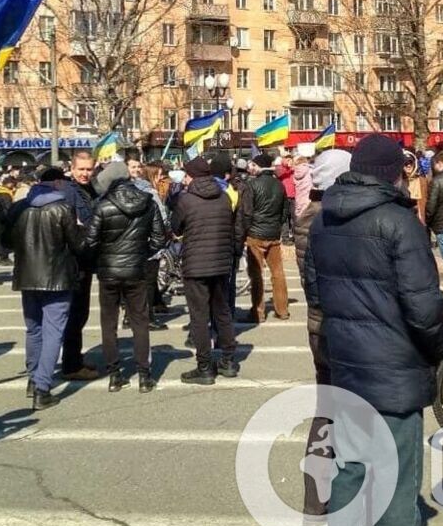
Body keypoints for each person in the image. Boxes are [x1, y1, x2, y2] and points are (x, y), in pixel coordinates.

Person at [310, 135, 443, 526]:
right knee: (394, 481)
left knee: (351, 473)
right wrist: (441, 348)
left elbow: (317, 292)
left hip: (349, 365)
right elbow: (423, 304)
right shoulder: (399, 222)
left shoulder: (324, 218)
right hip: (395, 369)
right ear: (396, 172)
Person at [293, 147, 350, 517]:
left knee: (326, 408)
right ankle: (350, 498)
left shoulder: (307, 216)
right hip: (338, 324)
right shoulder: (331, 220)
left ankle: (314, 499)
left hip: (317, 323)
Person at [82, 159, 168, 392]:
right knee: (140, 322)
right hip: (136, 269)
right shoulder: (148, 202)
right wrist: (142, 254)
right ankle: (144, 375)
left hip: (108, 271)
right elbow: (160, 238)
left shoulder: (102, 206)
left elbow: (90, 242)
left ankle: (114, 375)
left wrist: (102, 257)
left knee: (108, 324)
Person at [3, 167, 83, 409]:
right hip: (57, 277)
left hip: (27, 276)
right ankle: (42, 387)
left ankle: (33, 378)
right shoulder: (62, 209)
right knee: (53, 332)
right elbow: (78, 245)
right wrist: (81, 229)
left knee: (33, 329)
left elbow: (5, 241)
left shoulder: (20, 207)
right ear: (58, 183)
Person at [172, 155, 240, 385]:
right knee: (222, 312)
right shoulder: (223, 197)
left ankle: (204, 367)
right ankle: (229, 361)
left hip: (196, 265)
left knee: (199, 317)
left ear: (191, 176)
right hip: (221, 263)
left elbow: (175, 227)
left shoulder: (186, 200)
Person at [57, 154, 104, 381]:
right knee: (74, 314)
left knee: (79, 313)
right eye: (81, 169)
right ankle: (71, 364)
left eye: (89, 169)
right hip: (72, 261)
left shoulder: (89, 190)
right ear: (72, 168)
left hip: (84, 260)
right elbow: (72, 228)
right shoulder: (68, 191)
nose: (85, 173)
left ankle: (72, 359)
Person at [235, 153, 291, 322]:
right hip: (273, 233)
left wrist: (244, 232)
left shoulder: (252, 185)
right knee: (278, 273)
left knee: (257, 274)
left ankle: (258, 312)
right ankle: (282, 310)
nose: (251, 168)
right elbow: (285, 210)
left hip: (255, 234)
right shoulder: (279, 185)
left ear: (259, 166)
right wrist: (276, 226)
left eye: (254, 165)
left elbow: (246, 212)